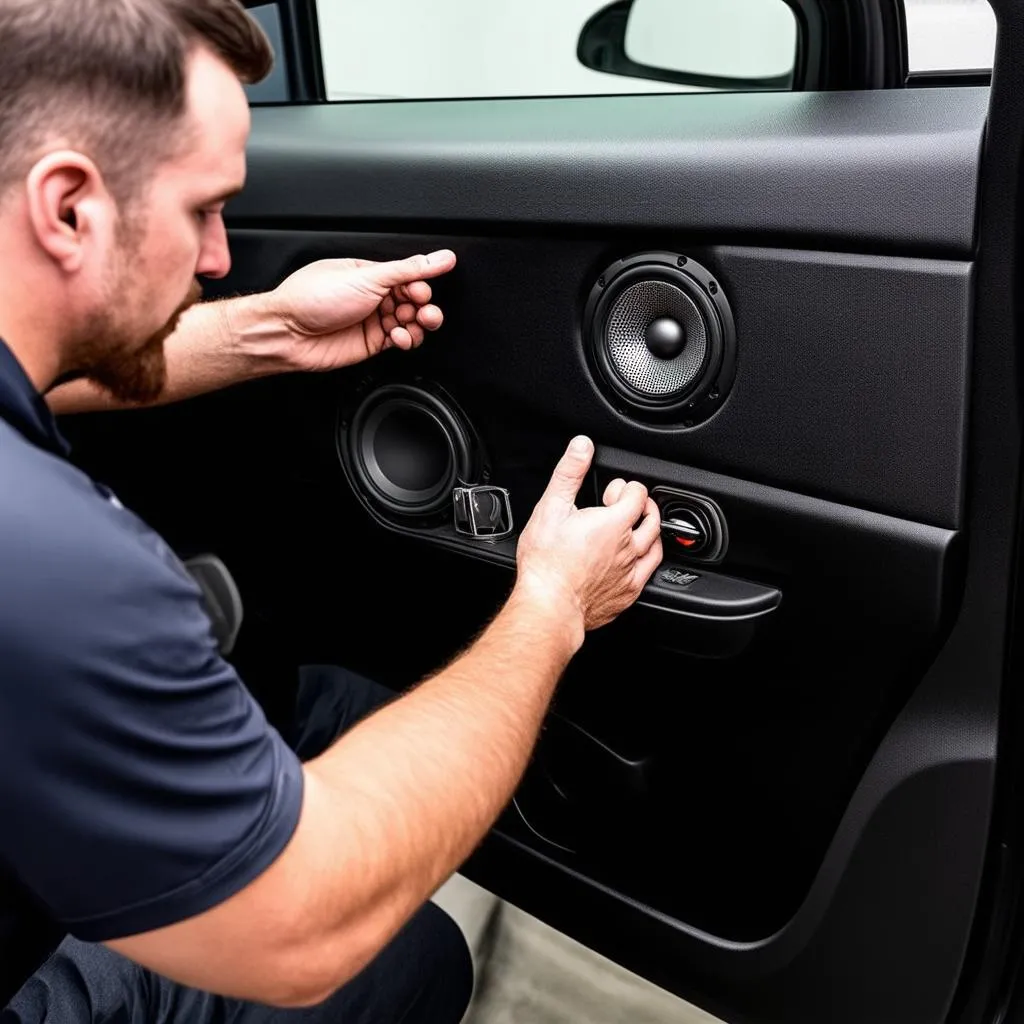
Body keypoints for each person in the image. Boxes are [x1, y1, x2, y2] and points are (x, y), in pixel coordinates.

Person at [0, 0, 664, 1021]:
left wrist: (267, 329)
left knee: (318, 698)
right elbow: (303, 926)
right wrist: (552, 604)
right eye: (202, 209)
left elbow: (41, 370)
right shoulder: (52, 562)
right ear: (69, 208)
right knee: (405, 959)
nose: (221, 256)